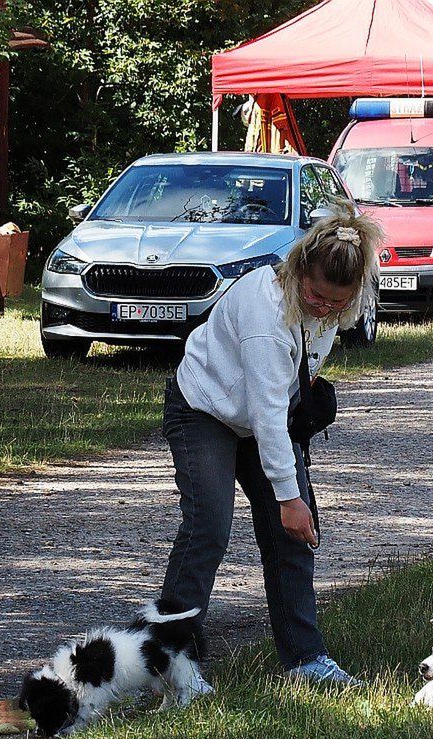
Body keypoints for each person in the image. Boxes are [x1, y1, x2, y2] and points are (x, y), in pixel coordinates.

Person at [158, 200, 384, 686]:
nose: (326, 310)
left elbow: (283, 400)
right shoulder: (267, 311)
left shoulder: (347, 297)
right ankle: (169, 657)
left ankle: (306, 660)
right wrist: (288, 495)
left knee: (293, 534)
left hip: (261, 417)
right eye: (318, 298)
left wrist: (293, 497)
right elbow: (265, 412)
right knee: (210, 526)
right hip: (204, 408)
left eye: (337, 304)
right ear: (299, 270)